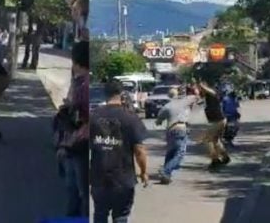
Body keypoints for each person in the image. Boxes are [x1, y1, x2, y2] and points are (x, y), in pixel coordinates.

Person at [91, 80, 148, 223]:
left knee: (100, 213)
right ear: (122, 93)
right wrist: (143, 172)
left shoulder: (93, 116)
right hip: (123, 179)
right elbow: (139, 150)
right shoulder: (130, 118)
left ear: (105, 94)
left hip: (99, 177)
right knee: (121, 216)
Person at [54, 41, 90, 217]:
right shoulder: (79, 83)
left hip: (78, 143)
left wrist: (65, 143)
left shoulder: (83, 85)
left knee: (79, 191)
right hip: (74, 143)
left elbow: (82, 119)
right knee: (74, 189)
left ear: (76, 62)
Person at [155, 87, 198, 184]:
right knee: (179, 154)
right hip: (181, 128)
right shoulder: (184, 101)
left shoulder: (166, 107)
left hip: (170, 130)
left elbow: (158, 121)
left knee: (170, 152)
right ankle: (165, 171)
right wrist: (194, 87)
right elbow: (196, 96)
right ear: (177, 94)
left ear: (168, 96)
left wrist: (160, 121)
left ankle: (166, 175)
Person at [198, 81, 231, 170]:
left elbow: (213, 92)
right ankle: (225, 157)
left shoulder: (212, 95)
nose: (201, 92)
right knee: (215, 141)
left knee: (207, 140)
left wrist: (202, 86)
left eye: (202, 90)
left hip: (218, 121)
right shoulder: (207, 98)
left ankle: (215, 160)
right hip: (218, 121)